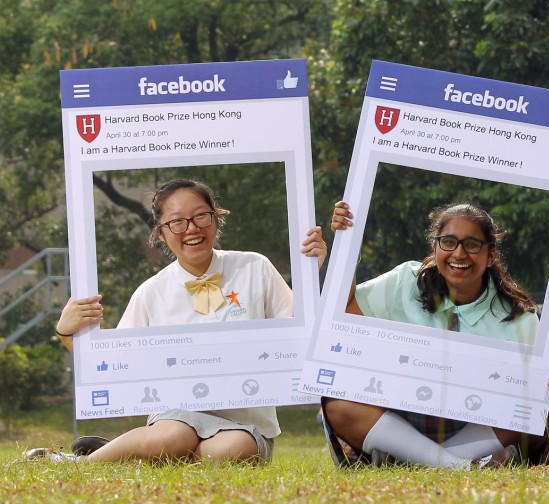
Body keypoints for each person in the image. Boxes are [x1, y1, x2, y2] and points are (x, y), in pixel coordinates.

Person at [28, 178, 327, 464]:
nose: (191, 229)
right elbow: (113, 369)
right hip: (174, 419)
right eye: (177, 222)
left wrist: (312, 272)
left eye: (201, 216)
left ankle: (127, 456)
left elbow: (299, 331)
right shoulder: (150, 293)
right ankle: (85, 463)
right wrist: (66, 332)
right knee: (171, 437)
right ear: (160, 233)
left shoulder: (255, 267)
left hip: (245, 425)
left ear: (216, 219)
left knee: (229, 452)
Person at [321, 200, 549, 468]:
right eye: (448, 242)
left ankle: (415, 462)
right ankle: (459, 466)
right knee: (338, 404)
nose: (459, 254)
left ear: (491, 255)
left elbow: (533, 390)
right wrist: (347, 247)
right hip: (402, 417)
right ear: (435, 246)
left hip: (474, 423)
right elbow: (344, 311)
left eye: (472, 245)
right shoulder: (404, 281)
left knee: (541, 410)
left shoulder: (518, 315)